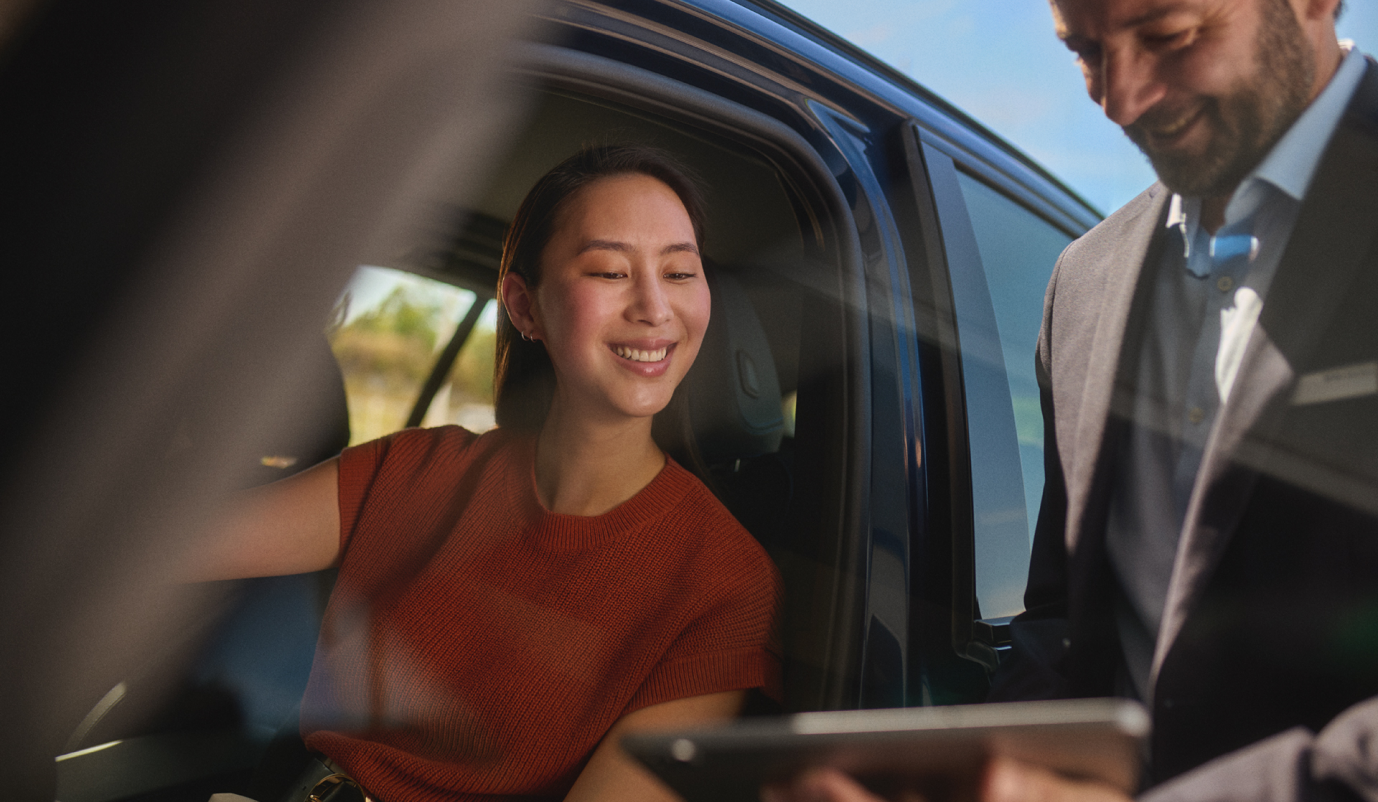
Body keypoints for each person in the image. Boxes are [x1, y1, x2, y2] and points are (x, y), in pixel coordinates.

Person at [765, 0, 1378, 801]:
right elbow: (1060, 623)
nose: (1120, 100)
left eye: (1169, 37)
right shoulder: (1083, 284)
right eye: (1087, 53)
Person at [192, 144, 782, 802]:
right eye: (611, 271)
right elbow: (167, 548)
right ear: (525, 308)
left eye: (679, 273)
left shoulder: (725, 582)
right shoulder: (420, 470)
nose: (653, 306)